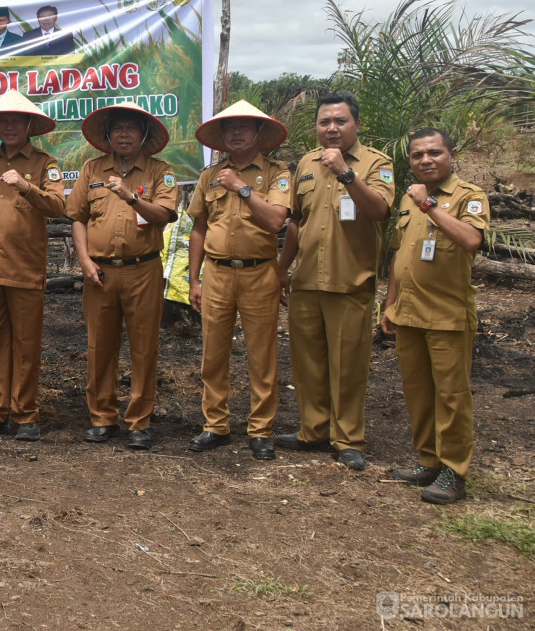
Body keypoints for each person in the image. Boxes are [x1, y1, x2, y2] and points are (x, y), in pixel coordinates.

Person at [277, 92, 395, 471]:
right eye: (324, 122)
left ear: (356, 125)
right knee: (307, 362)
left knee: (348, 365)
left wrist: (347, 172)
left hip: (350, 281)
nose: (331, 128)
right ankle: (313, 430)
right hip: (307, 280)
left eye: (340, 121)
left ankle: (348, 439)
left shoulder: (377, 163)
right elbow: (296, 221)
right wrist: (283, 268)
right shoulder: (307, 164)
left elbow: (378, 211)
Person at [382, 129, 488, 504]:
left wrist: (430, 206)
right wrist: (390, 302)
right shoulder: (410, 197)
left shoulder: (469, 196)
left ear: (452, 154)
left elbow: (471, 240)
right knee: (419, 393)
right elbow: (400, 254)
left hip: (447, 314)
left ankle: (454, 471)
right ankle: (428, 460)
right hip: (408, 312)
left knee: (452, 396)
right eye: (417, 155)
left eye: (434, 153)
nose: (425, 160)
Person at [66, 103, 178, 449]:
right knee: (99, 346)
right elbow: (78, 217)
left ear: (143, 134)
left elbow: (165, 214)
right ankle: (102, 417)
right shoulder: (92, 168)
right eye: (118, 129)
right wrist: (84, 260)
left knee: (144, 348)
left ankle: (139, 421)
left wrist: (131, 198)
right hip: (100, 272)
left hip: (143, 269)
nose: (124, 134)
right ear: (108, 136)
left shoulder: (160, 171)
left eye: (132, 128)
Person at [186, 101, 290, 461]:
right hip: (215, 272)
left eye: (245, 127)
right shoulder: (209, 175)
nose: (237, 133)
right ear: (222, 136)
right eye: (230, 128)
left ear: (259, 133)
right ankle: (215, 425)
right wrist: (193, 279)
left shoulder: (277, 173)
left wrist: (242, 189)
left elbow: (277, 220)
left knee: (262, 354)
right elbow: (199, 227)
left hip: (260, 272)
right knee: (213, 353)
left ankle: (261, 429)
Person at [0, 91, 65, 442]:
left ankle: (25, 413)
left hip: (25, 267)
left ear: (29, 125)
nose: (9, 126)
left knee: (26, 342)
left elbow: (58, 206)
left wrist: (26, 186)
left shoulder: (44, 163)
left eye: (16, 121)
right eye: (3, 121)